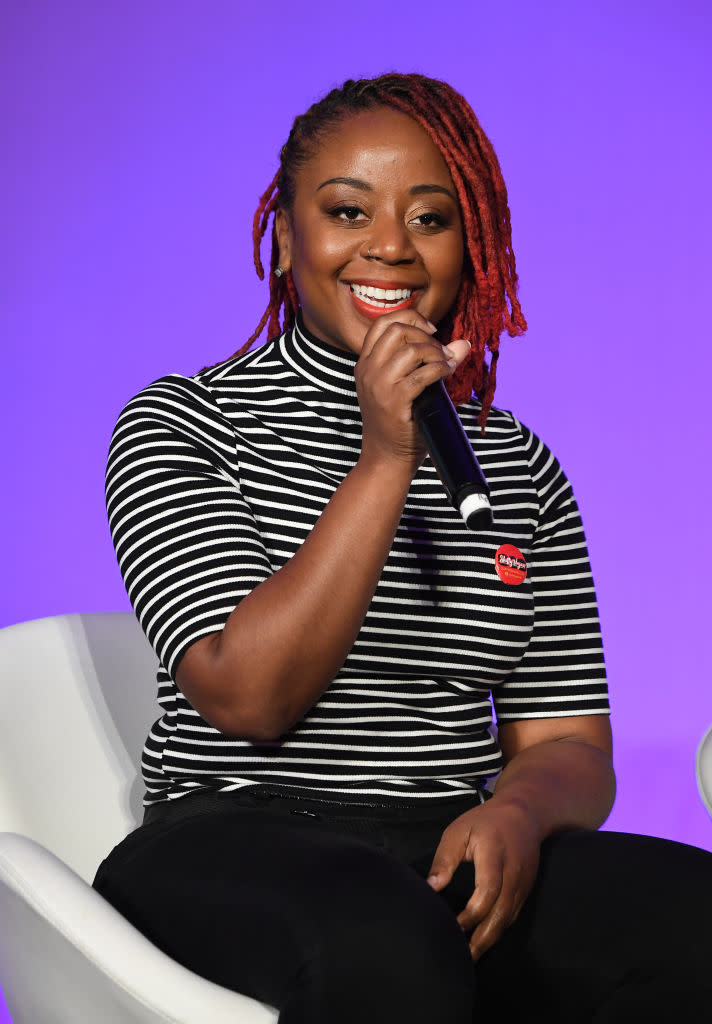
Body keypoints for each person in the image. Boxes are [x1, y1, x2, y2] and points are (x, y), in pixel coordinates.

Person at [94, 73, 712, 1022]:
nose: (390, 246)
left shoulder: (517, 464)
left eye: (431, 218)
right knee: (385, 944)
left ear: (474, 248)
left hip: (444, 844)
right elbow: (249, 699)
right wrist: (388, 454)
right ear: (289, 237)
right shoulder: (187, 422)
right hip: (236, 836)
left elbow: (569, 745)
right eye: (347, 211)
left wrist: (516, 812)